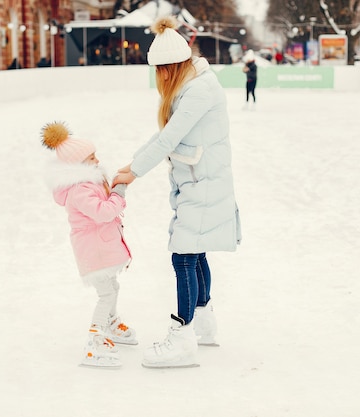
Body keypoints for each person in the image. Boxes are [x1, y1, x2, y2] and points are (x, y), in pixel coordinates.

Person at [112, 16, 241, 368]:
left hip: (204, 184)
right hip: (200, 182)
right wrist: (132, 164)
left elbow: (168, 138)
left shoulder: (199, 90)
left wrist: (133, 173)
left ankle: (182, 338)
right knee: (195, 254)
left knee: (183, 256)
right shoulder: (195, 84)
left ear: (168, 69)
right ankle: (204, 325)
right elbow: (167, 136)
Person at [41, 121, 136, 368]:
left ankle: (111, 323)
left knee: (112, 288)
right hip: (94, 253)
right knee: (106, 294)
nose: (97, 161)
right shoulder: (79, 190)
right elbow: (103, 212)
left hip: (100, 249)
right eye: (91, 158)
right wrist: (118, 195)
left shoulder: (89, 183)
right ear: (78, 165)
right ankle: (95, 340)